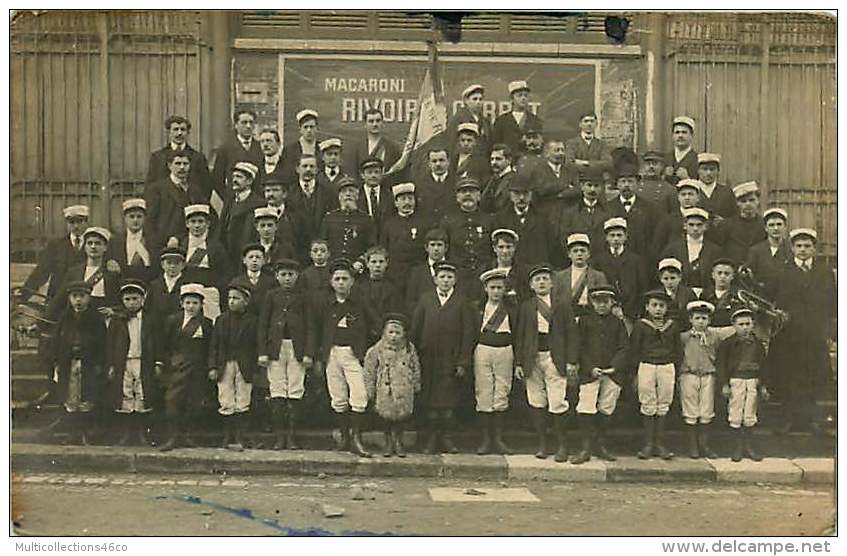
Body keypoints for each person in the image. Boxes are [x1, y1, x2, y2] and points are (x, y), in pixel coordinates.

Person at [770, 228, 836, 434]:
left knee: (814, 377)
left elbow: (832, 304)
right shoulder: (783, 271)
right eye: (799, 246)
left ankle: (813, 421)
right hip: (791, 336)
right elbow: (776, 301)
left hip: (815, 335)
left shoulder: (824, 272)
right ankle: (790, 421)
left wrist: (831, 334)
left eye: (807, 246)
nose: (803, 250)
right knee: (791, 378)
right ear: (792, 248)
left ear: (814, 249)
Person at [314, 258, 379, 457]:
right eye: (337, 279)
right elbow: (317, 330)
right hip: (332, 354)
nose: (341, 282)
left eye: (345, 278)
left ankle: (357, 438)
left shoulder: (360, 304)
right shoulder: (325, 305)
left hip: (353, 355)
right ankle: (344, 437)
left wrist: (366, 350)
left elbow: (375, 326)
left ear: (352, 281)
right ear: (331, 282)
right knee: (338, 396)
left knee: (359, 395)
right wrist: (319, 356)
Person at [514, 264, 580, 462]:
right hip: (532, 357)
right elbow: (521, 335)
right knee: (536, 399)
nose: (541, 282)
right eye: (537, 280)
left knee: (558, 400)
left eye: (544, 278)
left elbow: (572, 334)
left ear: (552, 283)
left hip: (555, 356)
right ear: (531, 285)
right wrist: (519, 362)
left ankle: (562, 445)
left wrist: (572, 360)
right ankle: (543, 443)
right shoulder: (526, 307)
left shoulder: (562, 305)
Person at [410, 261, 475, 454]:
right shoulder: (426, 299)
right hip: (429, 359)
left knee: (447, 402)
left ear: (455, 280)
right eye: (442, 277)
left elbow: (468, 333)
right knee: (430, 402)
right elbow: (416, 328)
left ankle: (446, 437)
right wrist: (414, 356)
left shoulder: (462, 301)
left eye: (449, 277)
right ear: (435, 279)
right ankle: (431, 438)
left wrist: (463, 360)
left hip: (450, 359)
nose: (446, 280)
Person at [257, 259, 314, 450]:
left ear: (297, 276)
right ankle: (279, 436)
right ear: (277, 276)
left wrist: (308, 353)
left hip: (296, 347)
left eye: (291, 274)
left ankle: (291, 436)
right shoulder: (271, 296)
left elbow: (311, 326)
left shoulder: (304, 297)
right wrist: (263, 352)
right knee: (277, 387)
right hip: (276, 348)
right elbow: (263, 325)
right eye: (283, 275)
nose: (287, 278)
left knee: (295, 388)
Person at [570, 286, 628, 464]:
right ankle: (585, 447)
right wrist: (590, 367)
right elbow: (579, 346)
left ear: (612, 303)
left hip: (611, 373)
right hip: (591, 372)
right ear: (592, 302)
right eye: (598, 301)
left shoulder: (618, 323)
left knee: (606, 407)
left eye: (606, 301)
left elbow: (624, 347)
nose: (602, 305)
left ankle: (600, 445)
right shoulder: (585, 321)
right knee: (586, 406)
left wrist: (614, 367)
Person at [156, 283, 215, 452]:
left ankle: (188, 435)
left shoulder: (206, 323)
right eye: (188, 302)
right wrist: (164, 362)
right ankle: (173, 437)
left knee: (194, 403)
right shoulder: (173, 320)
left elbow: (210, 347)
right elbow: (165, 344)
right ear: (182, 304)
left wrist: (209, 367)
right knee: (172, 401)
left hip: (197, 369)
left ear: (201, 305)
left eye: (195, 303)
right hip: (176, 368)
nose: (191, 306)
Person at [46, 281, 106, 445]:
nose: (78, 301)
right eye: (74, 297)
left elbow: (103, 344)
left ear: (89, 298)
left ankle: (86, 433)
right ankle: (73, 433)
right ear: (70, 299)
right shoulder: (65, 318)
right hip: (69, 363)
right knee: (70, 397)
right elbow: (56, 341)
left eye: (82, 296)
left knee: (87, 397)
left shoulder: (96, 319)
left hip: (88, 364)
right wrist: (56, 361)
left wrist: (99, 363)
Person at [678, 300, 737, 459]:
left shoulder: (715, 335)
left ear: (709, 320)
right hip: (689, 375)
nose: (701, 321)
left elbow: (734, 329)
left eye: (704, 318)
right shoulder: (684, 337)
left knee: (706, 410)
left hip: (708, 376)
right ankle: (692, 446)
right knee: (691, 411)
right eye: (697, 318)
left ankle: (704, 445)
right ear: (691, 319)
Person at [629, 289, 683, 460]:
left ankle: (660, 444)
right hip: (647, 366)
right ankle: (648, 444)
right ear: (647, 307)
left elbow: (677, 350)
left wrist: (676, 368)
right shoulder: (641, 325)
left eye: (661, 306)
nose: (658, 309)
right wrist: (635, 373)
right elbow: (635, 349)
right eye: (654, 305)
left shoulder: (673, 326)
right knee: (648, 402)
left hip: (666, 366)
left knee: (663, 403)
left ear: (666, 308)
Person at [472, 269, 518, 455]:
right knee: (484, 392)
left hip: (505, 350)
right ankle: (485, 439)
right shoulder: (478, 308)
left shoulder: (512, 309)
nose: (496, 291)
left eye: (500, 288)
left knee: (501, 392)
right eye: (492, 288)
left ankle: (498, 439)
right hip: (483, 349)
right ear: (485, 288)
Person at [363, 313, 422, 458]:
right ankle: (388, 442)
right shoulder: (376, 350)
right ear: (384, 332)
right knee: (386, 417)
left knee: (401, 417)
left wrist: (416, 383)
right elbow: (369, 371)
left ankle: (398, 441)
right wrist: (370, 390)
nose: (394, 336)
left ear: (403, 334)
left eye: (397, 333)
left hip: (403, 388)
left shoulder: (409, 349)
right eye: (390, 332)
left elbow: (416, 367)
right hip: (385, 389)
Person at [106, 279, 157, 446]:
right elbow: (110, 343)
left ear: (143, 299)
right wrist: (112, 365)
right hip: (124, 361)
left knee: (142, 393)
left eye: (135, 299)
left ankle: (141, 433)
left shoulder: (150, 319)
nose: (131, 303)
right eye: (127, 299)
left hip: (143, 361)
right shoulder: (117, 320)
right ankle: (127, 433)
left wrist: (158, 363)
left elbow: (159, 342)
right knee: (125, 393)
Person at [208, 282, 257, 452]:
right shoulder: (221, 320)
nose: (231, 301)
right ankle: (227, 435)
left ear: (246, 301)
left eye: (236, 298)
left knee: (243, 398)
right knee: (225, 397)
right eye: (229, 298)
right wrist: (213, 366)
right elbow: (214, 344)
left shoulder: (252, 320)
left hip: (244, 364)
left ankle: (240, 436)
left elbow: (256, 345)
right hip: (225, 363)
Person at [718, 307, 770, 462]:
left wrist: (763, 385)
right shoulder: (728, 344)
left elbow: (764, 366)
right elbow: (721, 365)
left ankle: (749, 446)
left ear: (753, 324)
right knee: (736, 412)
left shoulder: (758, 344)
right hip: (736, 380)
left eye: (748, 324)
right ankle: (737, 447)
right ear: (734, 325)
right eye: (741, 324)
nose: (745, 327)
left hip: (753, 381)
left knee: (750, 413)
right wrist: (725, 384)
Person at [439, 176, 495, 298]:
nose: (468, 195)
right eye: (464, 192)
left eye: (472, 191)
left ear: (479, 196)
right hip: (459, 278)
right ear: (457, 197)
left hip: (484, 275)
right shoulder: (448, 222)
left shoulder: (489, 220)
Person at [48, 227, 120, 319]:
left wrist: (114, 311)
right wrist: (39, 325)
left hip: (104, 322)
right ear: (85, 247)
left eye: (98, 243)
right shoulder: (74, 272)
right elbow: (59, 300)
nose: (93, 247)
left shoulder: (111, 272)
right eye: (89, 243)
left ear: (105, 247)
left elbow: (121, 300)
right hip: (79, 322)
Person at [145, 150, 211, 250]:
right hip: (164, 245)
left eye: (185, 164)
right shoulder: (157, 189)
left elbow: (207, 217)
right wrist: (160, 243)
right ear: (169, 165)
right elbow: (150, 222)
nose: (181, 167)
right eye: (177, 163)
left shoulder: (195, 190)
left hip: (191, 245)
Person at [21, 204, 88, 301]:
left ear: (86, 222)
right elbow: (41, 271)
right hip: (58, 297)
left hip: (84, 298)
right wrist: (24, 295)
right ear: (67, 224)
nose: (76, 226)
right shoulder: (56, 245)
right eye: (72, 222)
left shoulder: (94, 244)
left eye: (80, 222)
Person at [592, 218, 648, 331]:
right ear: (606, 238)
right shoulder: (599, 260)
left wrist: (630, 311)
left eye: (619, 235)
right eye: (612, 235)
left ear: (626, 236)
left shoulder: (636, 260)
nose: (616, 239)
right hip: (606, 311)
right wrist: (611, 307)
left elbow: (642, 288)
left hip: (630, 314)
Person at [177, 204, 231, 320]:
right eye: (193, 221)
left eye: (201, 221)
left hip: (209, 293)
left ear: (208, 224)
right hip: (186, 294)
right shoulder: (181, 245)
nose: (197, 225)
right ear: (187, 224)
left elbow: (225, 273)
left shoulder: (216, 247)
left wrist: (214, 288)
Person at [552, 168, 612, 266]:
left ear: (601, 188)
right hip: (577, 263)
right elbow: (564, 239)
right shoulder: (570, 213)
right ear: (582, 186)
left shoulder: (609, 213)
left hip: (603, 263)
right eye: (589, 185)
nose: (592, 189)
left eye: (596, 186)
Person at [495, 173, 555, 268]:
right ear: (510, 194)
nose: (522, 198)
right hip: (512, 273)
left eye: (525, 193)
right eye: (517, 193)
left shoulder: (543, 218)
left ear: (531, 194)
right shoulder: (500, 219)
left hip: (537, 272)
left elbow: (552, 248)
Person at [146, 115, 213, 199]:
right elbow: (150, 186)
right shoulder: (158, 157)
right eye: (175, 129)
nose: (179, 133)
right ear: (169, 132)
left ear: (188, 132)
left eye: (183, 129)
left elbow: (206, 186)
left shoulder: (198, 158)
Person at [607, 158, 658, 258]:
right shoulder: (607, 208)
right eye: (623, 181)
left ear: (637, 184)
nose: (626, 185)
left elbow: (654, 239)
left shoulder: (650, 209)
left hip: (642, 260)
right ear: (617, 184)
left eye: (630, 181)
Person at [661, 207, 722, 292]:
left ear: (706, 226)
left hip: (706, 293)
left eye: (699, 225)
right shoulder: (673, 248)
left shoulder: (715, 250)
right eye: (691, 225)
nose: (695, 228)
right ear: (685, 226)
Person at [380, 182, 431, 284]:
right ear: (396, 203)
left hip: (418, 273)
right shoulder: (389, 224)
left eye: (410, 198)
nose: (407, 202)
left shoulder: (424, 223)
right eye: (403, 199)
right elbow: (384, 248)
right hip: (395, 274)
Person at [319, 176, 377, 263]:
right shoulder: (329, 218)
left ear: (357, 196)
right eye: (344, 191)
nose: (348, 194)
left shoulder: (366, 219)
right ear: (339, 196)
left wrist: (361, 261)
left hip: (357, 265)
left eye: (351, 191)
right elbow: (323, 243)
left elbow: (372, 247)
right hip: (333, 264)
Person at [551, 233, 608, 318]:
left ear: (588, 254)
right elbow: (555, 301)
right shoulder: (559, 276)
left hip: (591, 316)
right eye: (575, 251)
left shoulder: (598, 276)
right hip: (567, 318)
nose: (579, 254)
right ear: (569, 254)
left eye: (582, 250)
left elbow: (603, 300)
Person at [218, 162, 265, 265]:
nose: (234, 180)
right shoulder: (230, 202)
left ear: (249, 181)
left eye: (239, 177)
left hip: (247, 254)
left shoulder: (258, 203)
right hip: (228, 253)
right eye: (233, 177)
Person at [287, 154, 335, 254]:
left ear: (317, 169)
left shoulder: (328, 193)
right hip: (296, 248)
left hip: (321, 249)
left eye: (312, 166)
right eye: (304, 166)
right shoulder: (289, 193)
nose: (308, 169)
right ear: (297, 169)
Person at [211, 109, 263, 200]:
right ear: (236, 125)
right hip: (234, 200)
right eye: (244, 122)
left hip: (258, 199)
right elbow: (217, 180)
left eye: (251, 123)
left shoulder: (260, 147)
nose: (248, 126)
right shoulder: (225, 149)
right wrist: (228, 198)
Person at [711, 181, 767, 265]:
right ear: (737, 203)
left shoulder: (765, 224)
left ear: (758, 201)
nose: (748, 204)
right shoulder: (726, 225)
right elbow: (719, 250)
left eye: (752, 200)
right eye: (743, 201)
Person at [106, 199, 159, 283]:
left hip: (148, 284)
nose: (135, 220)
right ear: (125, 218)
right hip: (123, 285)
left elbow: (157, 267)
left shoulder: (154, 240)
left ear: (144, 218)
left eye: (139, 216)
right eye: (131, 216)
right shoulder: (115, 241)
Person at [745, 207, 792, 298]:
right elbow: (749, 277)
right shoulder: (755, 250)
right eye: (771, 225)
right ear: (765, 228)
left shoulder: (791, 249)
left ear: (785, 227)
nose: (775, 228)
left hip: (787, 296)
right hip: (762, 297)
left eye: (779, 224)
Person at [651, 178, 703, 258]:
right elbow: (658, 247)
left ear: (698, 197)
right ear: (678, 197)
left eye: (690, 194)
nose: (687, 198)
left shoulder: (704, 219)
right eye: (683, 194)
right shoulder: (667, 221)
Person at [257, 178, 304, 264]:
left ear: (284, 194)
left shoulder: (296, 217)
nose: (270, 194)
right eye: (268, 191)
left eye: (275, 190)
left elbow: (302, 244)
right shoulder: (255, 216)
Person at [405, 228, 449, 316]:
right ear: (426, 247)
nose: (436, 249)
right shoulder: (416, 273)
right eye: (432, 245)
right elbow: (411, 302)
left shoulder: (457, 271)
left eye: (439, 245)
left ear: (446, 247)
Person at [492, 80, 543, 156]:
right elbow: (495, 144)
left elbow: (539, 145)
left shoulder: (535, 120)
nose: (523, 98)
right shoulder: (502, 120)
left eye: (525, 95)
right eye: (519, 95)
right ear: (512, 99)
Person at [345, 107, 400, 176]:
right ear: (365, 124)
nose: (375, 124)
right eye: (371, 121)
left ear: (382, 123)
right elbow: (353, 173)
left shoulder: (392, 148)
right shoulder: (357, 148)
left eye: (378, 121)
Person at [564, 112, 613, 187]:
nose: (589, 124)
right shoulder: (571, 143)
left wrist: (585, 163)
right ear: (580, 124)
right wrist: (597, 165)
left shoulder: (602, 144)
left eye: (592, 121)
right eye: (586, 121)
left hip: (597, 183)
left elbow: (608, 164)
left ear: (596, 124)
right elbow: (569, 163)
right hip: (578, 183)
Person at [352, 245, 403, 317]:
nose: (378, 265)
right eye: (373, 262)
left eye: (381, 261)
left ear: (386, 263)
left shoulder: (394, 287)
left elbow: (396, 312)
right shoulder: (358, 286)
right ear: (367, 264)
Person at [144, 247, 187, 330]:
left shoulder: (188, 284)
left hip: (179, 329)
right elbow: (148, 308)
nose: (172, 266)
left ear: (183, 265)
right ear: (162, 265)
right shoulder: (154, 285)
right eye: (169, 263)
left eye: (177, 263)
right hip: (157, 329)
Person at [447, 84, 492, 158]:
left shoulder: (485, 122)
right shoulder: (458, 119)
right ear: (466, 101)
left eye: (480, 99)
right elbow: (451, 143)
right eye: (474, 99)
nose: (478, 102)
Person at [414, 146, 456, 224]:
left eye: (441, 160)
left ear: (448, 162)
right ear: (429, 164)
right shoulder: (419, 184)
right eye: (434, 161)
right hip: (427, 228)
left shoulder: (457, 182)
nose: (438, 164)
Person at [487, 228, 529, 305]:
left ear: (514, 248)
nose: (505, 251)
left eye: (508, 247)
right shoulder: (486, 270)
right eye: (501, 247)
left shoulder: (524, 272)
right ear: (494, 248)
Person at [280, 109, 322, 182]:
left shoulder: (322, 148)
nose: (309, 130)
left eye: (311, 127)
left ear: (316, 129)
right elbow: (286, 173)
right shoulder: (289, 150)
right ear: (300, 129)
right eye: (305, 127)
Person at [693, 153, 737, 219]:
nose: (708, 173)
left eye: (712, 169)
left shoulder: (727, 192)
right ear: (698, 171)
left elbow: (734, 217)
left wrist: (724, 222)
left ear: (718, 171)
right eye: (704, 169)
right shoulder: (691, 190)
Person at [700, 258, 742, 327]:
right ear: (713, 275)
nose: (723, 276)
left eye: (727, 274)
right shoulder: (705, 295)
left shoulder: (738, 295)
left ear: (732, 276)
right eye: (719, 273)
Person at [657, 257, 698, 325]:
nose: (669, 282)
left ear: (680, 277)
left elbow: (693, 313)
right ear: (661, 279)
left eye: (673, 278)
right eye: (666, 279)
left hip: (684, 328)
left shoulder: (688, 293)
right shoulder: (657, 294)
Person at [358, 157, 394, 233]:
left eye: (377, 172)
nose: (373, 176)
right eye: (369, 172)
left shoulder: (390, 194)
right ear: (362, 175)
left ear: (382, 174)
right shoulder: (356, 195)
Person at [663, 116, 699, 186]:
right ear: (672, 136)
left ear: (691, 135)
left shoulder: (697, 159)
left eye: (684, 132)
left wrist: (687, 179)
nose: (680, 135)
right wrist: (664, 177)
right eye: (677, 132)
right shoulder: (665, 158)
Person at [480, 143, 515, 214]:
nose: (494, 162)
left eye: (498, 159)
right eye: (492, 159)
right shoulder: (490, 180)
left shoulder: (515, 179)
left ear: (509, 160)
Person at [317, 138, 350, 207]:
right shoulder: (317, 177)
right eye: (329, 154)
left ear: (340, 156)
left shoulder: (347, 177)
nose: (333, 157)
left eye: (336, 154)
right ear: (323, 157)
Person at [299, 238, 332, 304]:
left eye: (323, 251)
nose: (319, 254)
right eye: (315, 251)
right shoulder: (305, 274)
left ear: (328, 254)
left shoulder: (333, 272)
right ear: (310, 254)